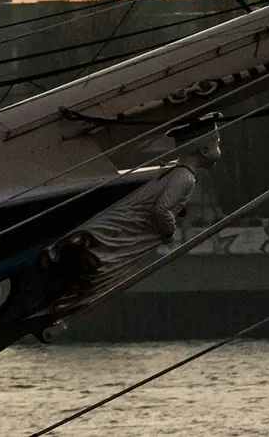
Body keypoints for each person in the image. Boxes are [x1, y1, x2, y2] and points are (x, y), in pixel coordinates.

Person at [51, 115, 222, 314]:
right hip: (131, 229)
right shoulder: (185, 177)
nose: (219, 148)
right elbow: (162, 209)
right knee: (105, 269)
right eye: (217, 142)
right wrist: (169, 232)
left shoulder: (170, 169)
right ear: (204, 149)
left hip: (124, 221)